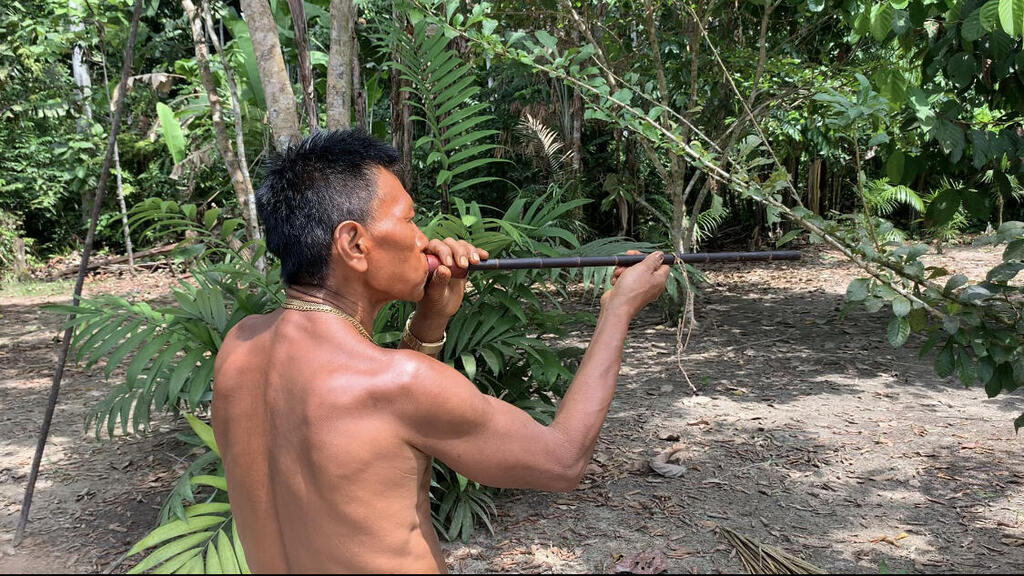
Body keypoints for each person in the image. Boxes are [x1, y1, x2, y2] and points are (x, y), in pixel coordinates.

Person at [211, 129, 670, 573]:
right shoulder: (397, 383)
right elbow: (563, 460)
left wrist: (430, 321)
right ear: (354, 243)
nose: (422, 241)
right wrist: (618, 309)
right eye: (409, 220)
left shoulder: (239, 348)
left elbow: (375, 434)